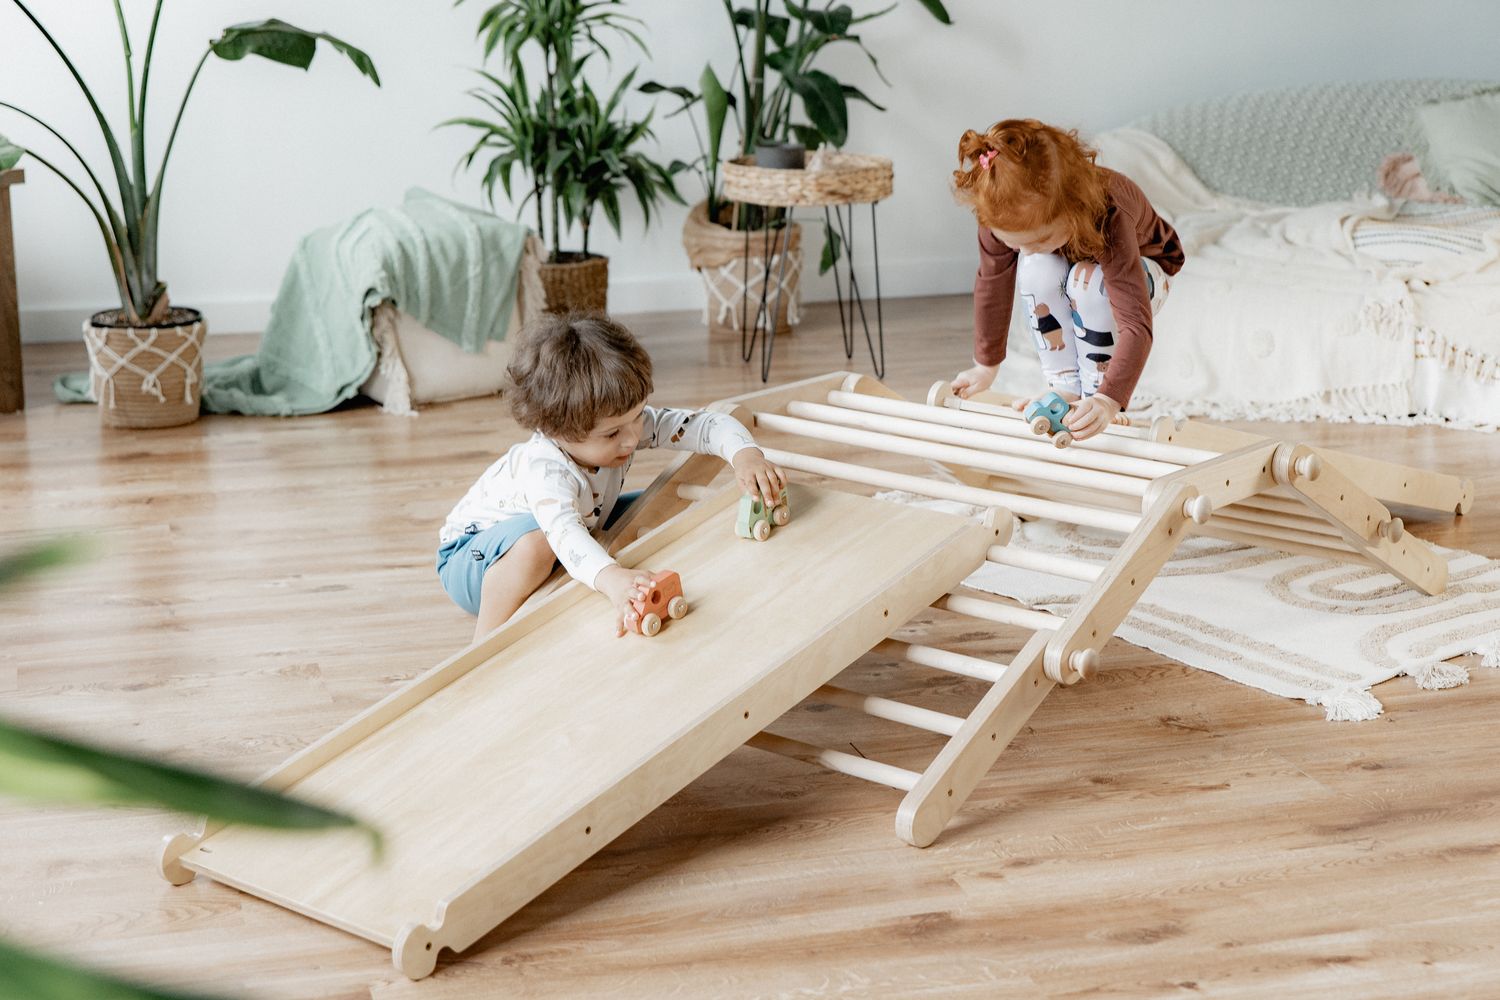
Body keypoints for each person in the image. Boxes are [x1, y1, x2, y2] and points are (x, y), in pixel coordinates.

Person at [437, 312, 785, 641]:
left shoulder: (623, 425)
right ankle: (483, 645)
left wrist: (746, 456)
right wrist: (612, 578)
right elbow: (564, 533)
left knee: (660, 504)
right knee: (538, 543)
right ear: (559, 432)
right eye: (612, 433)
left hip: (573, 529)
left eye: (637, 416)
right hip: (471, 563)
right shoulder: (546, 469)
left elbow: (706, 424)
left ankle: (593, 573)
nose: (632, 438)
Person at [950, 119, 1185, 441]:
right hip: (1076, 267)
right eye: (1015, 244)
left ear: (1071, 211)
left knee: (1087, 282)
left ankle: (1092, 396)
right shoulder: (998, 213)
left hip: (1147, 273)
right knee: (1037, 267)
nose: (1024, 251)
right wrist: (985, 366)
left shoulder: (1107, 213)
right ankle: (1065, 386)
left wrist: (1108, 399)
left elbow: (1135, 323)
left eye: (1039, 239)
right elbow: (993, 285)